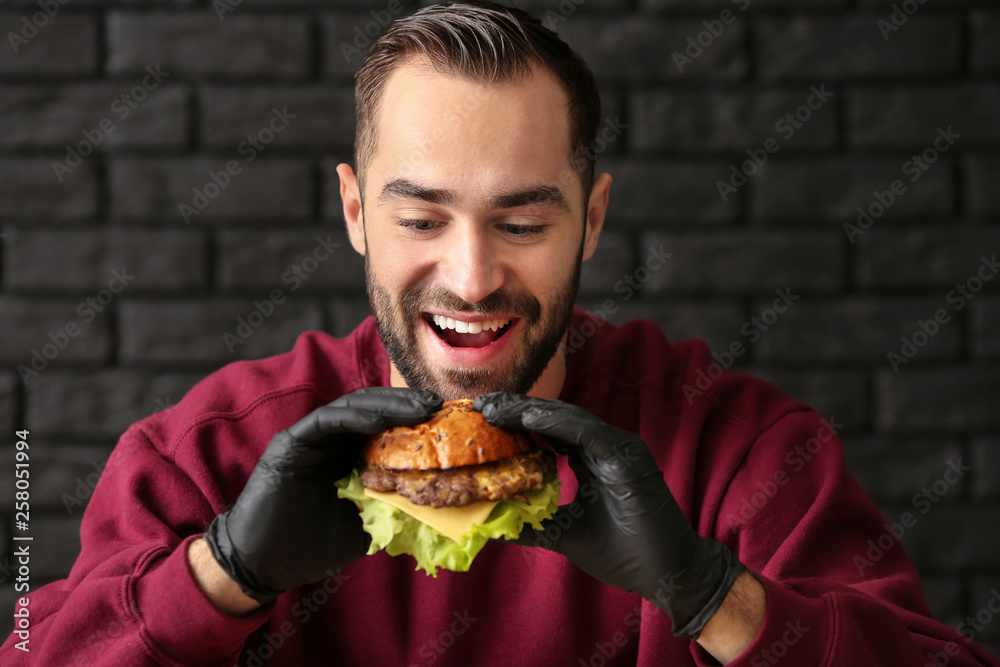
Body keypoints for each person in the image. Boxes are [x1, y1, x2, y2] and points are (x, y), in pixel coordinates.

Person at [4, 2, 998, 665]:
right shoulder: (204, 453)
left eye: (522, 222)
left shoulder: (741, 452)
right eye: (420, 218)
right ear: (354, 212)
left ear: (592, 218)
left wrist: (712, 596)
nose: (473, 276)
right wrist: (222, 573)